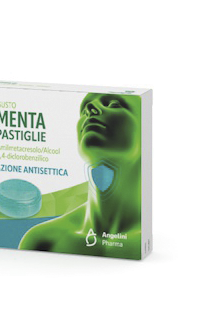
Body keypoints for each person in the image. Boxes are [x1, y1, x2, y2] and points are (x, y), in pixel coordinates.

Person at [19, 92, 142, 258]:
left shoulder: (153, 241)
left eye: (114, 104)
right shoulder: (43, 241)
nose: (91, 108)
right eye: (84, 111)